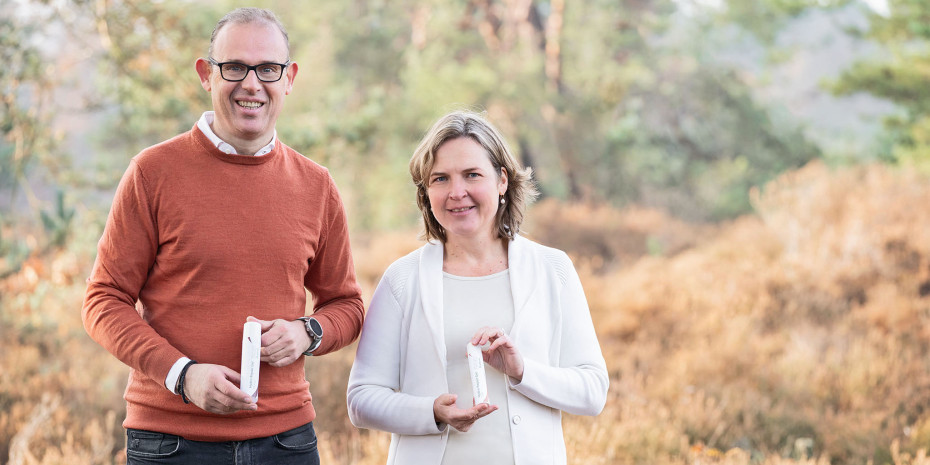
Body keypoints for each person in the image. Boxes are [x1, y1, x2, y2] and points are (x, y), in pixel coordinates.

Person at [82, 8, 364, 465]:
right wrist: (183, 375)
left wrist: (307, 332)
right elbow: (103, 301)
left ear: (289, 78)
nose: (251, 84)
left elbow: (347, 306)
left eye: (268, 69)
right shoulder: (152, 173)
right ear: (206, 75)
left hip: (286, 442)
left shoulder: (316, 185)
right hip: (170, 442)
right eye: (234, 67)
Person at [346, 110, 609, 464]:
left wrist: (522, 372)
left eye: (472, 174)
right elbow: (361, 399)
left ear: (502, 180)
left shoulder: (552, 269)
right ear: (426, 191)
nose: (457, 192)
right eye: (440, 178)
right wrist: (432, 411)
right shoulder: (402, 279)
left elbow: (593, 392)